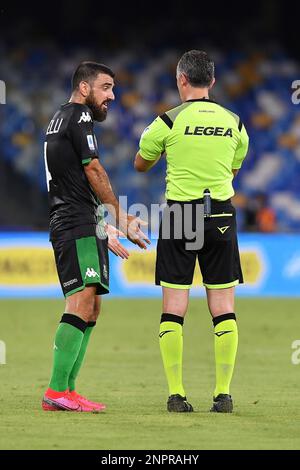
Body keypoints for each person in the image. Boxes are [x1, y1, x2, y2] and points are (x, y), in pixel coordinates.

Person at [134, 50, 249, 413]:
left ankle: (176, 395)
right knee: (223, 308)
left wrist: (166, 154)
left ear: (181, 79)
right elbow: (232, 171)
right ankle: (223, 395)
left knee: (174, 309)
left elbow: (140, 164)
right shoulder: (235, 122)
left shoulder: (167, 121)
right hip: (221, 216)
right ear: (212, 82)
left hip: (181, 214)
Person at [42, 61, 149, 413]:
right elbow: (92, 168)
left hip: (81, 221)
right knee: (81, 301)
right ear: (84, 88)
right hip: (75, 223)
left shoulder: (58, 118)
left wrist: (102, 224)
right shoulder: (80, 117)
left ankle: (68, 391)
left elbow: (70, 179)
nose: (112, 96)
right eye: (106, 88)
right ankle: (57, 390)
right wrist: (118, 213)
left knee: (92, 307)